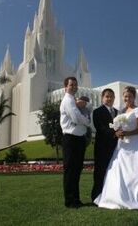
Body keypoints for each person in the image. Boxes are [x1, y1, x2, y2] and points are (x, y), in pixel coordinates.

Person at [94, 86, 138, 209]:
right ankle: (120, 196)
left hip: (135, 144)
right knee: (119, 169)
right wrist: (118, 131)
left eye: (130, 96)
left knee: (137, 170)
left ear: (134, 97)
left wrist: (127, 133)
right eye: (125, 96)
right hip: (122, 145)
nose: (127, 98)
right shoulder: (121, 111)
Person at [60, 77, 91, 208]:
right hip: (71, 140)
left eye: (75, 85)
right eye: (71, 85)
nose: (73, 87)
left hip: (78, 140)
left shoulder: (73, 101)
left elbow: (80, 116)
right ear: (65, 87)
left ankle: (76, 199)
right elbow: (76, 118)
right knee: (71, 171)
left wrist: (84, 119)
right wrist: (87, 121)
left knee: (76, 171)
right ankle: (70, 200)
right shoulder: (67, 100)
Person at [90, 88, 118, 202]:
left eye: (111, 96)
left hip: (115, 147)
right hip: (102, 146)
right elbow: (100, 128)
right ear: (102, 98)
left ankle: (110, 195)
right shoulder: (97, 112)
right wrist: (115, 133)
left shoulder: (117, 112)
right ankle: (96, 195)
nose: (109, 98)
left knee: (112, 172)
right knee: (100, 171)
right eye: (107, 96)